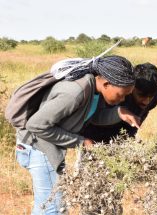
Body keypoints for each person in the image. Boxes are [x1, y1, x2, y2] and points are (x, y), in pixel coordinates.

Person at [15, 55, 137, 215]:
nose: (123, 98)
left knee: (47, 206)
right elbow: (36, 124)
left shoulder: (94, 90)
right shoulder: (75, 93)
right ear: (107, 84)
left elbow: (90, 116)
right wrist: (81, 141)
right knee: (53, 209)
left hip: (44, 146)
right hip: (37, 147)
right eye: (121, 94)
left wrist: (118, 113)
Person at [82, 62, 157, 143]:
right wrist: (118, 112)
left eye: (151, 96)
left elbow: (141, 116)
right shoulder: (117, 90)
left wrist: (128, 140)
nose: (146, 102)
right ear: (132, 87)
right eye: (141, 95)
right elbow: (94, 117)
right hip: (94, 135)